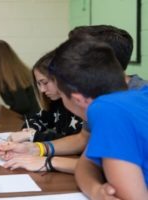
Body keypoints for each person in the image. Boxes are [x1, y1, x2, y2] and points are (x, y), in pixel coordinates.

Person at [0, 25, 148, 177]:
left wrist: (49, 162)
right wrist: (36, 149)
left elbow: (120, 170)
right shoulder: (99, 98)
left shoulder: (131, 104)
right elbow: (83, 139)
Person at [48, 36, 148, 200]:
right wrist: (95, 190)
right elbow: (85, 165)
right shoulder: (140, 96)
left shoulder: (106, 109)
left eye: (61, 95)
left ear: (78, 99)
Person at [0, 51, 83, 174]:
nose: (41, 90)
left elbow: (79, 142)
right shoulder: (56, 102)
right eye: (39, 84)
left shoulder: (86, 106)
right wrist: (29, 136)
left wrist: (34, 137)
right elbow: (39, 119)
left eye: (45, 82)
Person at [0, 39, 39, 116]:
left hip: (28, 120)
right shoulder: (0, 75)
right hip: (19, 117)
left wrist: (2, 114)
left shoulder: (14, 75)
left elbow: (22, 106)